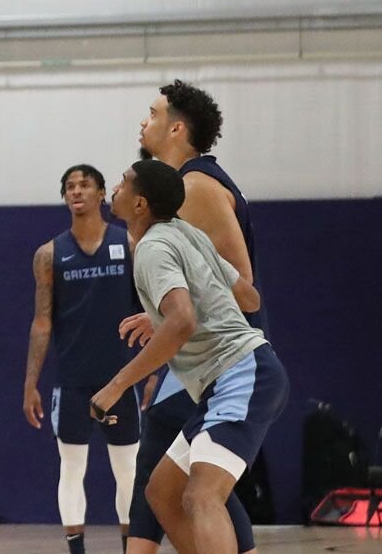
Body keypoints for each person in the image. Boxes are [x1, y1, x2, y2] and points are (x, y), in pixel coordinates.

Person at [91, 160, 285, 554]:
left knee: (201, 496)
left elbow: (182, 322)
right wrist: (161, 312)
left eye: (124, 182)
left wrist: (115, 386)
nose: (115, 187)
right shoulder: (185, 233)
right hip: (230, 377)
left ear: (141, 203)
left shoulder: (151, 248)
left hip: (241, 374)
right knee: (162, 491)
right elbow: (249, 297)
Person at [127, 81, 263, 554]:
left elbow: (244, 290)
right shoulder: (182, 186)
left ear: (176, 127)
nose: (142, 122)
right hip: (203, 354)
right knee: (168, 484)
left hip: (228, 360)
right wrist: (161, 316)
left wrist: (174, 315)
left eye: (152, 112)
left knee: (190, 484)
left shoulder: (196, 186)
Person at [23, 165, 140, 554]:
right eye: (70, 187)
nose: (77, 191)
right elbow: (42, 323)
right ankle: (76, 548)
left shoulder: (130, 245)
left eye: (85, 185)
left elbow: (154, 315)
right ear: (64, 198)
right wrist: (30, 384)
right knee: (72, 468)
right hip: (73, 380)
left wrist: (154, 371)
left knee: (128, 470)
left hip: (120, 379)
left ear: (102, 193)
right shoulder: (49, 254)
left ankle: (131, 547)